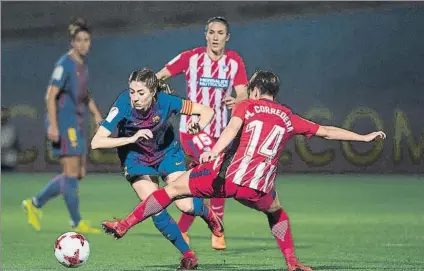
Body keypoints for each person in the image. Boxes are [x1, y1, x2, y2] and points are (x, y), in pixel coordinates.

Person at [101, 70, 387, 271]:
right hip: (258, 189)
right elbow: (325, 131)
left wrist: (215, 149)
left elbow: (232, 128)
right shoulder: (288, 116)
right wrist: (362, 138)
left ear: (255, 90)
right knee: (277, 211)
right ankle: (291, 261)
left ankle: (125, 224)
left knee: (172, 190)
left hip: (224, 179)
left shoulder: (247, 105)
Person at [91, 68, 224, 270]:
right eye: (132, 91)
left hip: (167, 154)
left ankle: (208, 214)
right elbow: (96, 142)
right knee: (155, 207)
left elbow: (206, 111)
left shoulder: (167, 101)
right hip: (136, 158)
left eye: (141, 92)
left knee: (186, 206)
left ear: (153, 92)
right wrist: (132, 138)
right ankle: (189, 255)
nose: (135, 97)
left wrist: (199, 124)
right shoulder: (123, 104)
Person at [156, 16, 248, 250]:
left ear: (227, 37)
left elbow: (243, 95)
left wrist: (236, 100)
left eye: (220, 33)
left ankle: (183, 230)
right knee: (215, 172)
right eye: (212, 32)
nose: (215, 37)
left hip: (221, 134)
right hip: (193, 131)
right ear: (205, 34)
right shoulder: (191, 58)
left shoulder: (235, 61)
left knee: (204, 180)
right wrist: (150, 91)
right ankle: (217, 228)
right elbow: (160, 76)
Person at [22, 18, 103, 233]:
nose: (84, 44)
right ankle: (76, 222)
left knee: (76, 174)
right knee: (70, 173)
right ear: (72, 43)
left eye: (87, 40)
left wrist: (96, 114)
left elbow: (85, 95)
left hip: (76, 124)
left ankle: (35, 203)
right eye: (80, 40)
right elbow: (50, 96)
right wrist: (53, 125)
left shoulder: (82, 66)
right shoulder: (64, 65)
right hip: (65, 124)